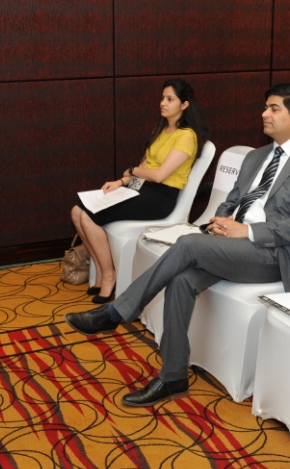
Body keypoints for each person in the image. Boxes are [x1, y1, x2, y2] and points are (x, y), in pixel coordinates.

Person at [66, 84, 290, 407]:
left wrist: (247, 232)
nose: (264, 114)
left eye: (273, 108)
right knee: (181, 280)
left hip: (277, 255)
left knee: (188, 245)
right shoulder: (257, 156)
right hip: (233, 245)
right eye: (265, 107)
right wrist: (221, 221)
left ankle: (116, 311)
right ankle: (173, 375)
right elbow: (231, 200)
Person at [71, 79, 210, 303]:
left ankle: (109, 276)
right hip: (143, 189)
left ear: (184, 105)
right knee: (76, 211)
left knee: (88, 216)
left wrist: (132, 171)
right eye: (162, 98)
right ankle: (100, 271)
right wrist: (121, 182)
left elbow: (158, 175)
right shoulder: (161, 130)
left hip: (161, 197)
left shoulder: (187, 136)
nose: (163, 103)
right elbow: (143, 170)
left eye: (170, 99)